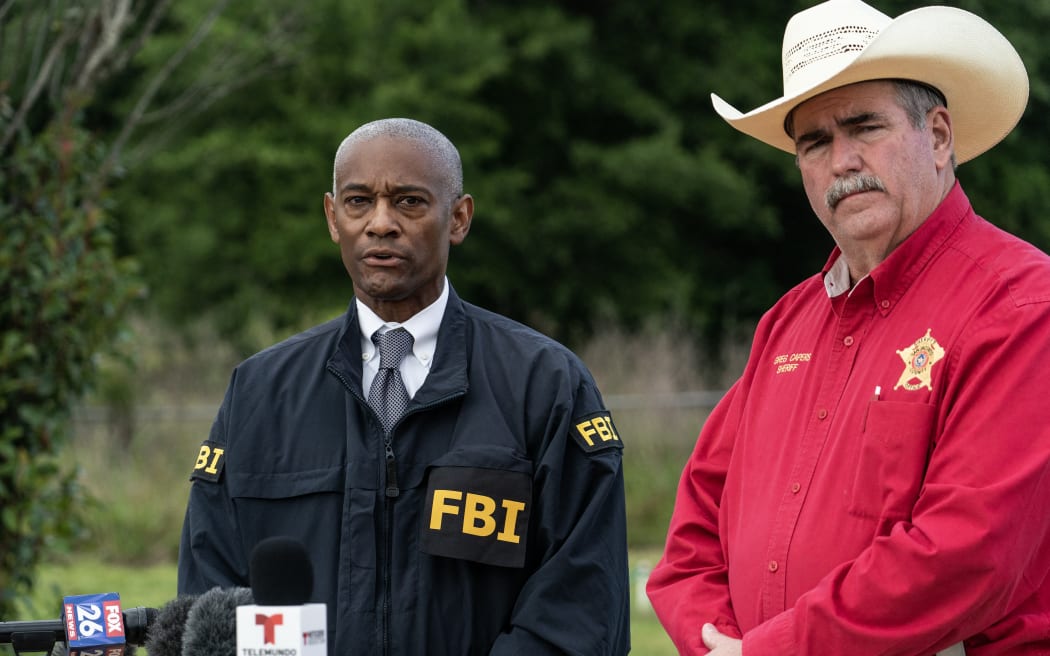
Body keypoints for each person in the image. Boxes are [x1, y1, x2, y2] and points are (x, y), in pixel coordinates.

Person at [646, 1, 1050, 654]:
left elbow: (968, 553)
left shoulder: (1022, 305)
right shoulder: (788, 322)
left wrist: (772, 650)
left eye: (865, 127)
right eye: (815, 142)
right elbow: (694, 533)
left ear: (940, 137)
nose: (841, 161)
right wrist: (714, 641)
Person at [178, 118, 631, 655]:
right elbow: (211, 604)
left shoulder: (545, 385)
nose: (380, 223)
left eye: (410, 202)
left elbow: (580, 605)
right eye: (358, 202)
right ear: (331, 217)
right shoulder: (258, 393)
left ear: (458, 218)